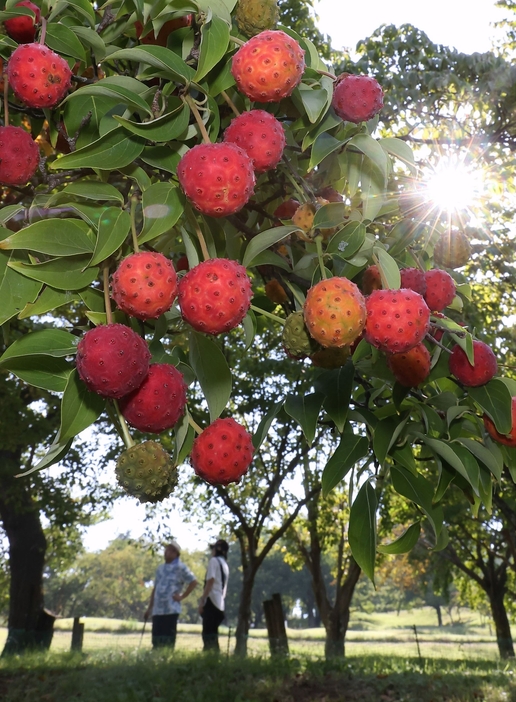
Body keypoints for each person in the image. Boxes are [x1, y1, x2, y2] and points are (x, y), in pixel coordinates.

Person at [145, 540, 198, 649]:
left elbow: (193, 581)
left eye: (169, 550)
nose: (166, 552)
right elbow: (155, 588)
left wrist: (182, 596)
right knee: (156, 639)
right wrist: (149, 608)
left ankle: (167, 659)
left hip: (171, 608)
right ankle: (156, 660)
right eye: (166, 550)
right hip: (158, 610)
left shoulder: (181, 567)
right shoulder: (160, 568)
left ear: (175, 553)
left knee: (168, 639)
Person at [198, 539, 229, 652]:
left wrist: (203, 600)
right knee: (213, 635)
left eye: (213, 548)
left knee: (208, 635)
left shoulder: (214, 561)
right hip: (220, 603)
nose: (212, 551)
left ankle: (210, 658)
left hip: (211, 601)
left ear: (218, 550)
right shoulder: (225, 564)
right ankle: (214, 658)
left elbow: (210, 581)